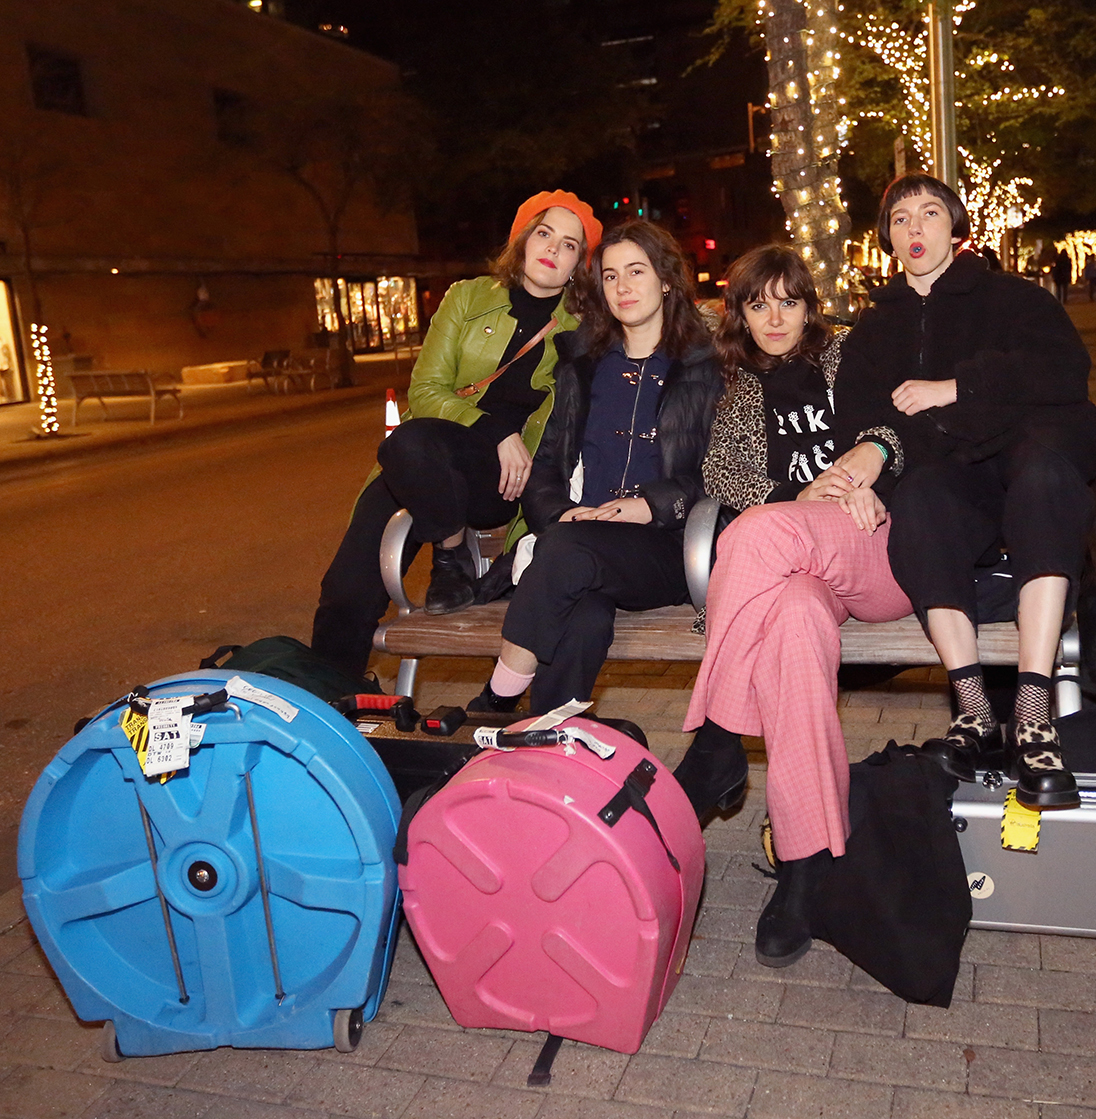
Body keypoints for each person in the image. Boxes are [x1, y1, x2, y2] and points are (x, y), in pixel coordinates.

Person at [834, 172, 1096, 814]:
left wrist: (953, 386)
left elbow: (1066, 371)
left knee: (1043, 477)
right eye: (900, 220)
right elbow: (863, 420)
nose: (915, 229)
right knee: (923, 500)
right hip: (951, 477)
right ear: (887, 240)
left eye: (929, 214)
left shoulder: (1011, 298)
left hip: (1021, 461)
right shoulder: (875, 329)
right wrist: (871, 459)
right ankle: (975, 712)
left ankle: (1034, 714)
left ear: (956, 228)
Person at [672, 243, 911, 968]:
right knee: (797, 619)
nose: (774, 316)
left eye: (788, 300)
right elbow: (724, 473)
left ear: (810, 306)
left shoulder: (849, 356)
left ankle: (717, 740)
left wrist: (869, 466)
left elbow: (901, 428)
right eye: (757, 302)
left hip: (878, 547)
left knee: (756, 532)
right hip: (799, 565)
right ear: (739, 312)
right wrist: (796, 497)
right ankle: (805, 868)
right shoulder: (736, 387)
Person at [310, 192, 602, 680]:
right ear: (523, 238)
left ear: (579, 265)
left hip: (501, 480)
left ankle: (451, 558)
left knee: (409, 442)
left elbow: (659, 318)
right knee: (346, 590)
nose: (552, 248)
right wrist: (495, 428)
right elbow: (425, 390)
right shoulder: (467, 297)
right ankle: (329, 712)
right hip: (422, 461)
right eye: (544, 233)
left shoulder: (584, 327)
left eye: (569, 245)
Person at [466, 220, 722, 715]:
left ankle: (495, 699)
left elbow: (725, 474)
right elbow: (545, 465)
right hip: (580, 544)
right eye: (609, 276)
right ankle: (552, 738)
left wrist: (650, 505)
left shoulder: (706, 369)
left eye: (636, 271)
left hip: (667, 548)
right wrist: (560, 512)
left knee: (567, 552)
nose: (622, 287)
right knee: (581, 618)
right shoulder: (583, 366)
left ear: (666, 279)